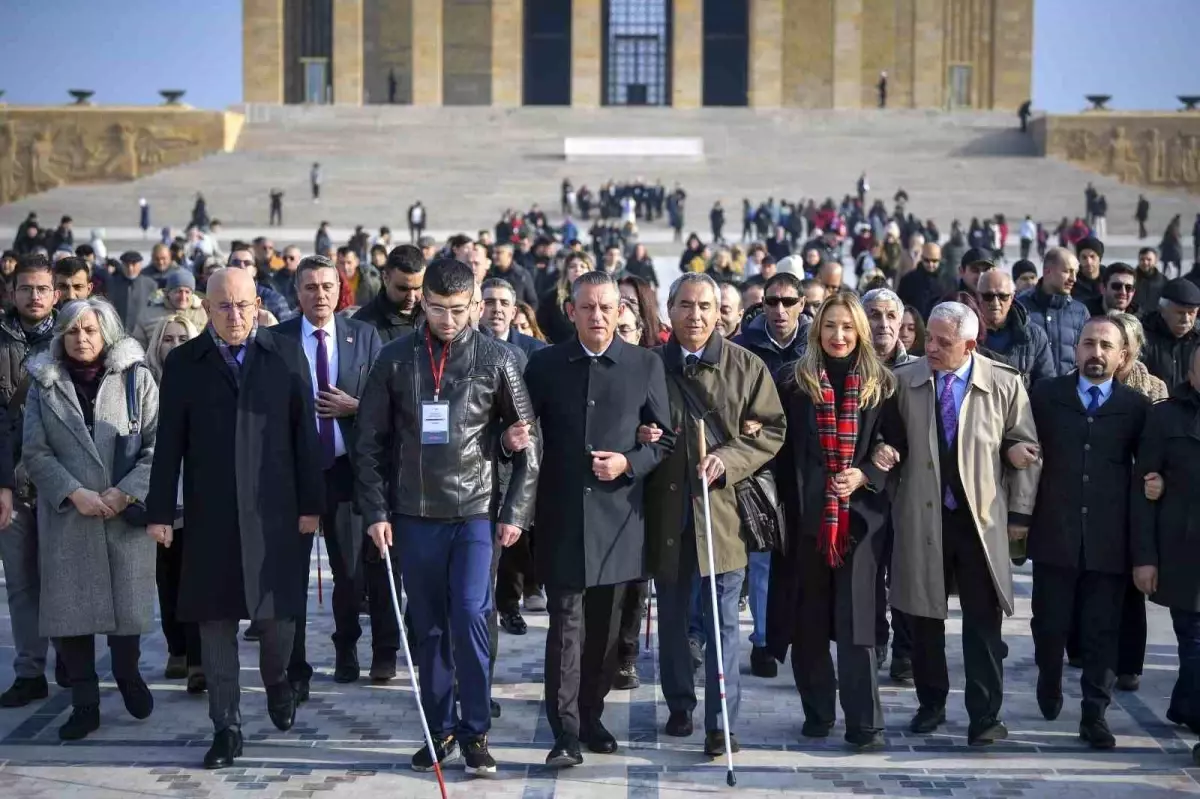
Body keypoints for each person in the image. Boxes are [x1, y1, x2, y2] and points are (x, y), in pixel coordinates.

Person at [355, 258, 540, 777]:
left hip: (476, 513)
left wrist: (516, 512)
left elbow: (529, 442)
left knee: (470, 615)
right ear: (423, 303)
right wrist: (375, 510)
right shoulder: (394, 359)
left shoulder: (499, 358)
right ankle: (440, 730)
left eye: (460, 310)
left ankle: (476, 730)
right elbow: (368, 444)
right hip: (413, 514)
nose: (449, 320)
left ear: (476, 305)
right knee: (429, 625)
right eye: (438, 309)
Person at [146, 267, 326, 770]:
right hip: (211, 517)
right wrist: (160, 511)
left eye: (244, 305)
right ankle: (226, 726)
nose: (235, 315)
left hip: (275, 514)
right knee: (216, 625)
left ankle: (278, 684)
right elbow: (169, 445)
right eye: (224, 306)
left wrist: (311, 505)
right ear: (206, 307)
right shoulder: (185, 363)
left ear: (258, 306)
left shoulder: (285, 354)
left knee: (276, 623)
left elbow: (304, 438)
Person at [521, 271, 673, 767]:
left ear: (621, 312)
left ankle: (591, 714)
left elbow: (665, 439)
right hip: (562, 515)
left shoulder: (644, 365)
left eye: (607, 307)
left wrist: (629, 461)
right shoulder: (544, 365)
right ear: (572, 311)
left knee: (607, 632)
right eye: (588, 307)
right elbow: (521, 428)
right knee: (565, 628)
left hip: (619, 520)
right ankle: (563, 731)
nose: (598, 316)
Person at [873, 301, 1040, 746]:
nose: (931, 347)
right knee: (924, 616)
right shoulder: (902, 382)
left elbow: (1025, 448)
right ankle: (931, 703)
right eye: (929, 337)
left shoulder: (1003, 384)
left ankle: (985, 716)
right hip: (921, 516)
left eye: (944, 342)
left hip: (979, 521)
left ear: (970, 344)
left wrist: (1019, 516)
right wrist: (884, 457)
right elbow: (885, 440)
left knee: (982, 623)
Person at [644, 273, 785, 757]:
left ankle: (721, 721)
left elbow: (771, 429)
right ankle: (680, 702)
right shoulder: (649, 366)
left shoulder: (746, 366)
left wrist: (729, 459)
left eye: (705, 306)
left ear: (719, 312)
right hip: (666, 514)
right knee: (675, 618)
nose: (696, 315)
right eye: (686, 305)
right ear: (669, 310)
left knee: (723, 621)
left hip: (721, 516)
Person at [23, 298, 158, 740]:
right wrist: (73, 493)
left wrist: (126, 492)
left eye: (91, 330)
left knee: (126, 610)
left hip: (122, 515)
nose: (82, 339)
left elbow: (159, 446)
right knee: (71, 614)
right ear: (60, 337)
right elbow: (35, 452)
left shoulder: (137, 378)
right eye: (72, 331)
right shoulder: (44, 385)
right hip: (70, 517)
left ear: (107, 334)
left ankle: (128, 673)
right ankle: (84, 702)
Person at [766, 292, 896, 749]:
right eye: (829, 326)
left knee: (858, 625)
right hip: (807, 523)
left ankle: (866, 724)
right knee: (809, 625)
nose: (838, 336)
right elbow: (776, 448)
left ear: (859, 331)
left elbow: (896, 447)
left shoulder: (882, 385)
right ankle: (818, 712)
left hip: (859, 525)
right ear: (816, 330)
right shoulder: (794, 384)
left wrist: (866, 473)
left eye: (846, 327)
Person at [1026, 317, 1148, 749]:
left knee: (1102, 631)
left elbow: (1147, 467)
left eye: (1106, 346)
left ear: (1122, 356)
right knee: (1049, 623)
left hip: (1109, 540)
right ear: (1075, 350)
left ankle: (1094, 714)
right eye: (1089, 344)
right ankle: (1049, 678)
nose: (1096, 353)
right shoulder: (1046, 395)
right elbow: (1019, 443)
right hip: (1054, 534)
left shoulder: (1135, 407)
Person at [274, 256, 393, 694]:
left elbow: (387, 403)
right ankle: (295, 665)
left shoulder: (364, 335)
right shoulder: (275, 340)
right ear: (297, 292)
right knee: (291, 573)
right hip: (293, 475)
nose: (319, 295)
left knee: (349, 571)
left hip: (346, 471)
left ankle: (347, 648)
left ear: (339, 290)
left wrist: (355, 406)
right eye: (309, 287)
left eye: (327, 286)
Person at [0, 254, 65, 708]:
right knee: (21, 581)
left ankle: (74, 663)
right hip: (11, 484)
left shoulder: (76, 336)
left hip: (61, 482)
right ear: (11, 293)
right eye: (26, 288)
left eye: (43, 289)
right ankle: (29, 671)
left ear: (56, 294)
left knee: (63, 577)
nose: (35, 296)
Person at [1131, 346, 1200, 767]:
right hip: (1183, 553)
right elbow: (1144, 491)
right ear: (1190, 374)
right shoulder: (1166, 417)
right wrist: (1145, 557)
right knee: (1192, 641)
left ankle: (1186, 706)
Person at [145, 314, 205, 693]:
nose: (176, 344)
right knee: (167, 577)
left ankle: (199, 658)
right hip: (160, 494)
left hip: (197, 494)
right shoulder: (143, 381)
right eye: (168, 338)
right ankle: (176, 648)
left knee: (194, 575)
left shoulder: (198, 376)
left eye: (183, 337)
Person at [975, 270, 1054, 386]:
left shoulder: (1034, 335)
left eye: (1003, 296)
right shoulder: (966, 333)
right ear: (978, 296)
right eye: (988, 296)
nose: (995, 302)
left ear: (1012, 297)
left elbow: (1046, 384)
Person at [1018, 247, 1088, 377]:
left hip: (1068, 393)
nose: (1074, 279)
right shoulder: (1020, 307)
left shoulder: (1080, 312)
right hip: (1028, 394)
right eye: (1067, 271)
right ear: (1047, 271)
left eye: (1075, 273)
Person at [352, 244, 426, 343]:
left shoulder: (437, 314)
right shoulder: (362, 326)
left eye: (417, 288)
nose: (411, 297)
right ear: (385, 278)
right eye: (403, 289)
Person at [1141, 278, 1200, 390]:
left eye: (1191, 313)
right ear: (1162, 310)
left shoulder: (1198, 340)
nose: (1186, 319)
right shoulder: (1143, 336)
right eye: (1180, 313)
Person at [131, 270, 207, 348]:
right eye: (178, 291)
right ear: (168, 293)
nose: (183, 297)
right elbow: (137, 346)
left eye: (187, 292)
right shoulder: (148, 315)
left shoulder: (203, 314)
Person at [1108, 312, 1168, 403]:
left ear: (1138, 346)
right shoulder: (1086, 381)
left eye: (1125, 342)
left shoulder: (1157, 387)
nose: (1119, 349)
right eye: (1111, 342)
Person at [538, 251, 593, 344]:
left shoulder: (598, 297)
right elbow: (542, 329)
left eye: (582, 266)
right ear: (566, 271)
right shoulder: (551, 298)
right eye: (572, 266)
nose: (577, 269)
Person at [108, 251, 158, 333]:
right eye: (127, 265)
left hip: (142, 333)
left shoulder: (150, 284)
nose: (130, 268)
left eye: (134, 265)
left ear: (140, 265)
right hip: (118, 332)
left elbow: (154, 312)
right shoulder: (113, 283)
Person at [896, 242, 945, 320]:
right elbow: (900, 304)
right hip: (915, 325)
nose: (930, 264)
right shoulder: (909, 279)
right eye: (927, 260)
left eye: (934, 261)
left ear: (940, 259)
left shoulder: (947, 280)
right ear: (921, 258)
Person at [490, 243, 538, 310]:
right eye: (493, 252)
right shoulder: (491, 274)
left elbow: (533, 302)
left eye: (498, 253)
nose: (494, 256)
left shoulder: (522, 275)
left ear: (510, 255)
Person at [1072, 237, 1104, 306]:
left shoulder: (1110, 280)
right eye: (1084, 257)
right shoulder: (1071, 281)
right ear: (1078, 259)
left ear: (1100, 258)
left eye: (1092, 257)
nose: (1088, 262)